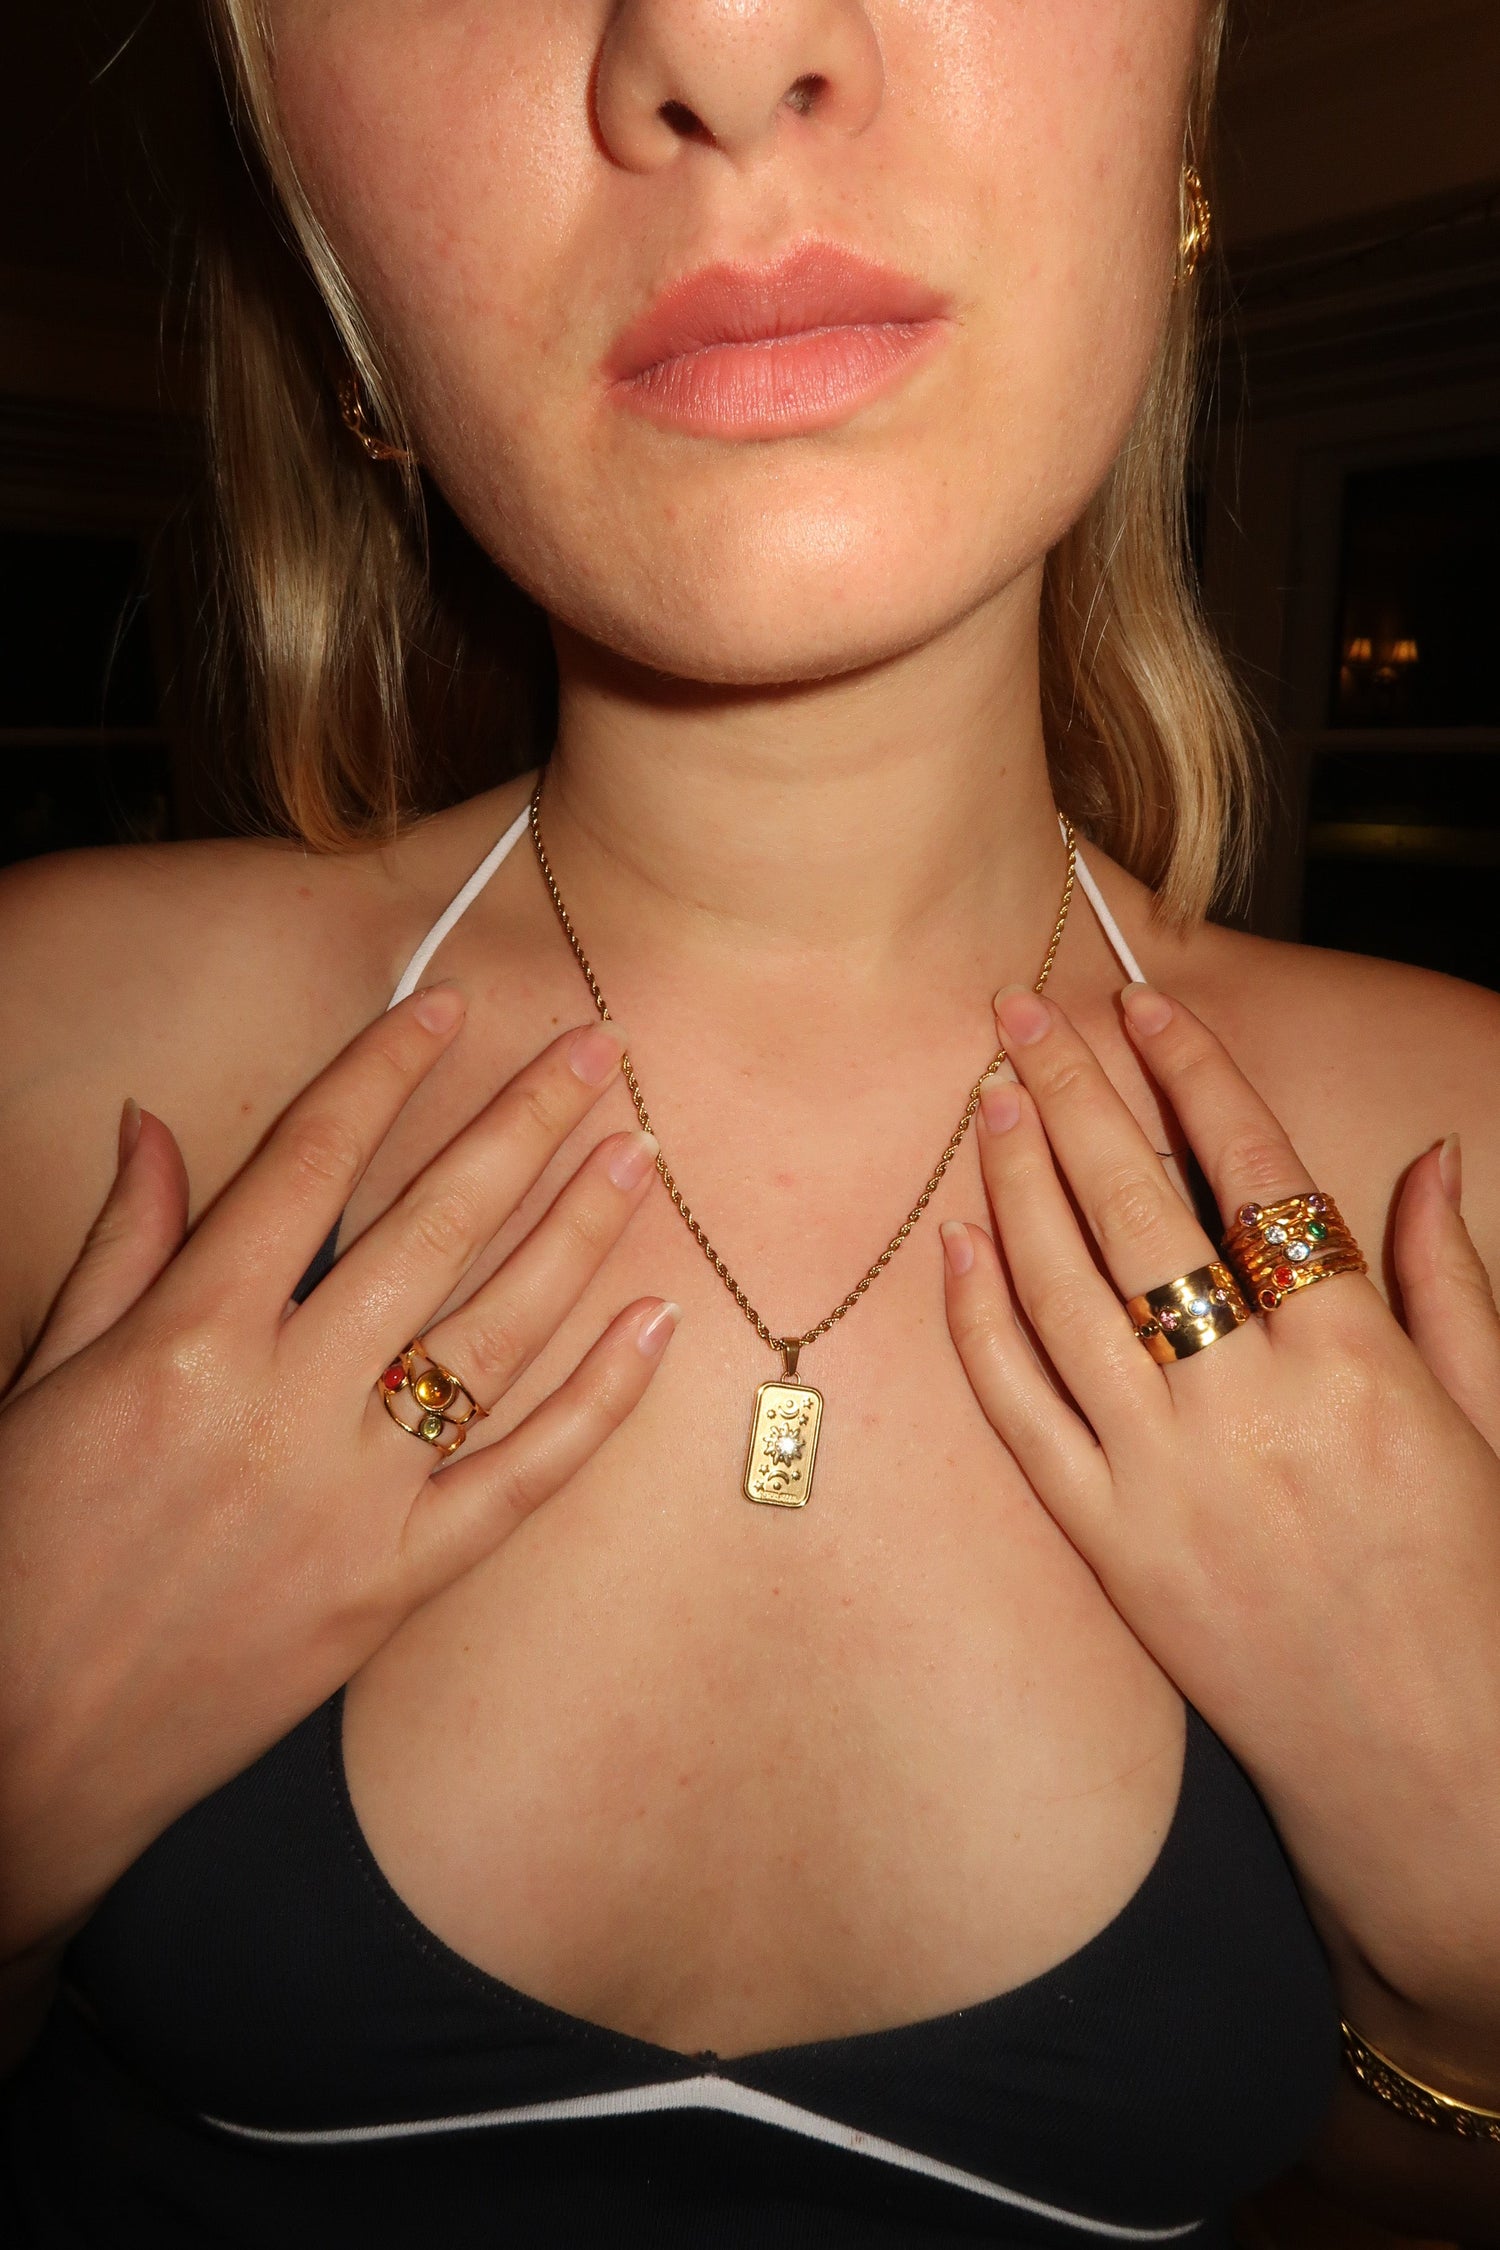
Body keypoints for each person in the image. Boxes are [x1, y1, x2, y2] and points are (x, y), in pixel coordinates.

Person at [2, 2, 1498, 2243]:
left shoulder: (1466, 1178)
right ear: (329, 250)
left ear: (1185, 92)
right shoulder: (43, 1068)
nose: (721, 29)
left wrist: (1469, 1955)